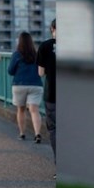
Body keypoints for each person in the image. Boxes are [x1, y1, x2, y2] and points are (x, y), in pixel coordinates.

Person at [8, 31, 44, 142]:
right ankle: (37, 134)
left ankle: (22, 134)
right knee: (34, 110)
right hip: (35, 85)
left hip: (19, 85)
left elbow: (10, 71)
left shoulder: (17, 54)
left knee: (21, 110)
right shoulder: (37, 54)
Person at [36, 19, 56, 163]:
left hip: (52, 93)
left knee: (54, 129)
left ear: (52, 28)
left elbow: (41, 73)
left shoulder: (45, 46)